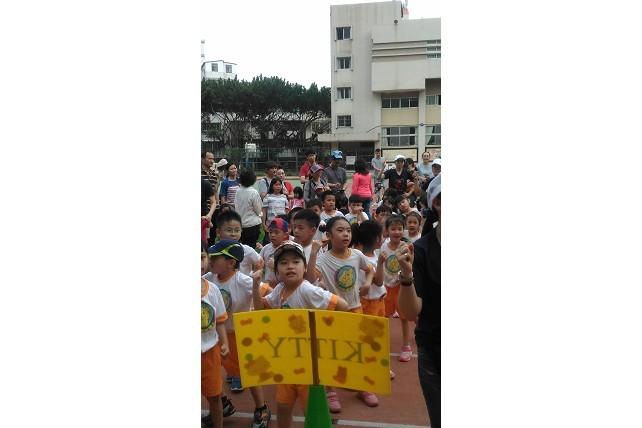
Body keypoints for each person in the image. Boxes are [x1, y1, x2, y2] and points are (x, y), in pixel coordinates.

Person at [251, 241, 348, 428]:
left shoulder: (307, 289)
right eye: (284, 263)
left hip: (309, 364)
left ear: (304, 268)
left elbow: (342, 306)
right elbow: (260, 308)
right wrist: (256, 286)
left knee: (311, 410)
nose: (290, 266)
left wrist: (325, 330)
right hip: (288, 361)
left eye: (296, 262)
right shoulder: (280, 290)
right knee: (283, 406)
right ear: (276, 271)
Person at [306, 216, 374, 412]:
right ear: (329, 235)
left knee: (358, 349)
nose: (346, 234)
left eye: (348, 231)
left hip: (355, 308)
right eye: (340, 230)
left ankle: (362, 386)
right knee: (332, 352)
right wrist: (313, 253)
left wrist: (367, 282)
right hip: (332, 312)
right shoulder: (323, 259)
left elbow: (370, 269)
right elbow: (310, 278)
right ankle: (330, 391)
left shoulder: (357, 255)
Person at [204, 239, 272, 428]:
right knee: (212, 371)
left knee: (248, 374)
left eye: (215, 257)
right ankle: (223, 403)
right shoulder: (209, 278)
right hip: (216, 336)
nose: (210, 260)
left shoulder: (243, 280)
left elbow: (270, 293)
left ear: (231, 262)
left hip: (239, 335)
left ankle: (262, 408)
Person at [397, 173, 441, 427]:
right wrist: (406, 274)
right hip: (434, 349)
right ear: (438, 204)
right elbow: (411, 312)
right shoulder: (422, 250)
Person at [200, 240, 231, 428]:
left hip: (210, 352)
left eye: (201, 257)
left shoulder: (212, 290)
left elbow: (220, 320)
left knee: (214, 395)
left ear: (208, 259)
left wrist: (224, 343)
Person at [378, 215, 414, 363]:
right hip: (386, 288)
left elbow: (410, 266)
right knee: (384, 317)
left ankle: (406, 346)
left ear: (403, 230)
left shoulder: (406, 247)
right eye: (393, 229)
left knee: (404, 318)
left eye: (400, 229)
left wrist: (410, 255)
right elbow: (380, 265)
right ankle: (382, 344)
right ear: (387, 231)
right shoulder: (383, 247)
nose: (397, 232)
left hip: (400, 288)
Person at [215, 210, 264, 277]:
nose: (233, 234)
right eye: (229, 230)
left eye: (237, 230)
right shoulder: (215, 250)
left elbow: (260, 261)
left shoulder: (246, 250)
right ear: (218, 232)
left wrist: (254, 277)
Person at [234, 170, 263, 250]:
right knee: (250, 248)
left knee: (241, 247)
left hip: (240, 223)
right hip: (252, 225)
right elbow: (258, 209)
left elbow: (236, 206)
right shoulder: (253, 192)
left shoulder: (238, 191)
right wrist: (261, 214)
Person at [259, 218, 290, 288]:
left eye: (276, 232)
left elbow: (289, 267)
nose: (272, 235)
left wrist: (275, 266)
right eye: (270, 232)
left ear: (285, 234)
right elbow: (259, 262)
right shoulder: (266, 248)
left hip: (284, 285)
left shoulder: (288, 249)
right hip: (269, 283)